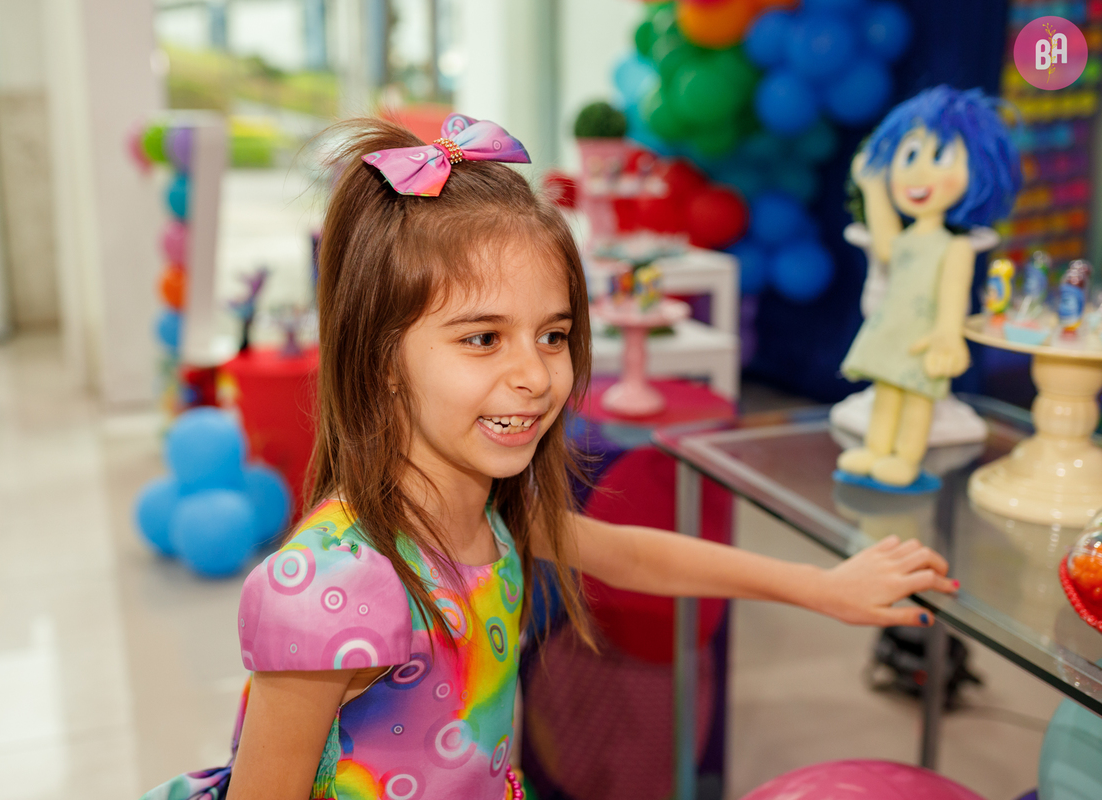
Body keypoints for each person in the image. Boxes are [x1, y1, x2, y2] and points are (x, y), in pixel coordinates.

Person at [142, 114, 956, 800]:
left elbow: (634, 555)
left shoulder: (492, 513)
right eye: (482, 338)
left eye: (554, 335)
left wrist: (822, 586)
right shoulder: (332, 585)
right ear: (383, 357)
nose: (536, 376)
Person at [839, 86, 1022, 487]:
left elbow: (953, 300)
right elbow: (886, 246)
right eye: (908, 156)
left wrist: (947, 336)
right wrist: (873, 187)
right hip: (892, 332)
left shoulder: (955, 247)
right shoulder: (907, 239)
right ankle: (876, 449)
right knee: (887, 392)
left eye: (939, 157)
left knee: (918, 399)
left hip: (923, 339)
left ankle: (906, 457)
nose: (918, 174)